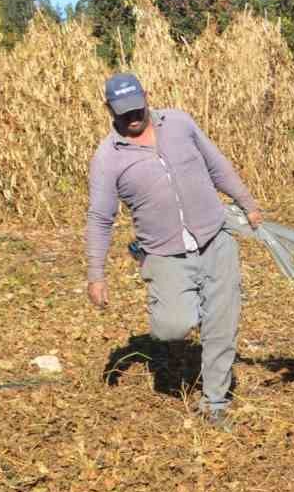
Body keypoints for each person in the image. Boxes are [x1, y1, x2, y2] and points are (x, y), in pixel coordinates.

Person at [85, 73, 264, 430]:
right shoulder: (108, 157)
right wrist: (96, 274)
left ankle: (215, 401)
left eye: (137, 108)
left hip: (215, 239)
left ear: (147, 98)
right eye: (123, 112)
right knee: (172, 327)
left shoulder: (180, 123)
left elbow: (216, 165)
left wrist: (247, 202)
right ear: (109, 110)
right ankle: (180, 298)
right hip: (164, 252)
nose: (133, 117)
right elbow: (100, 218)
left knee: (221, 324)